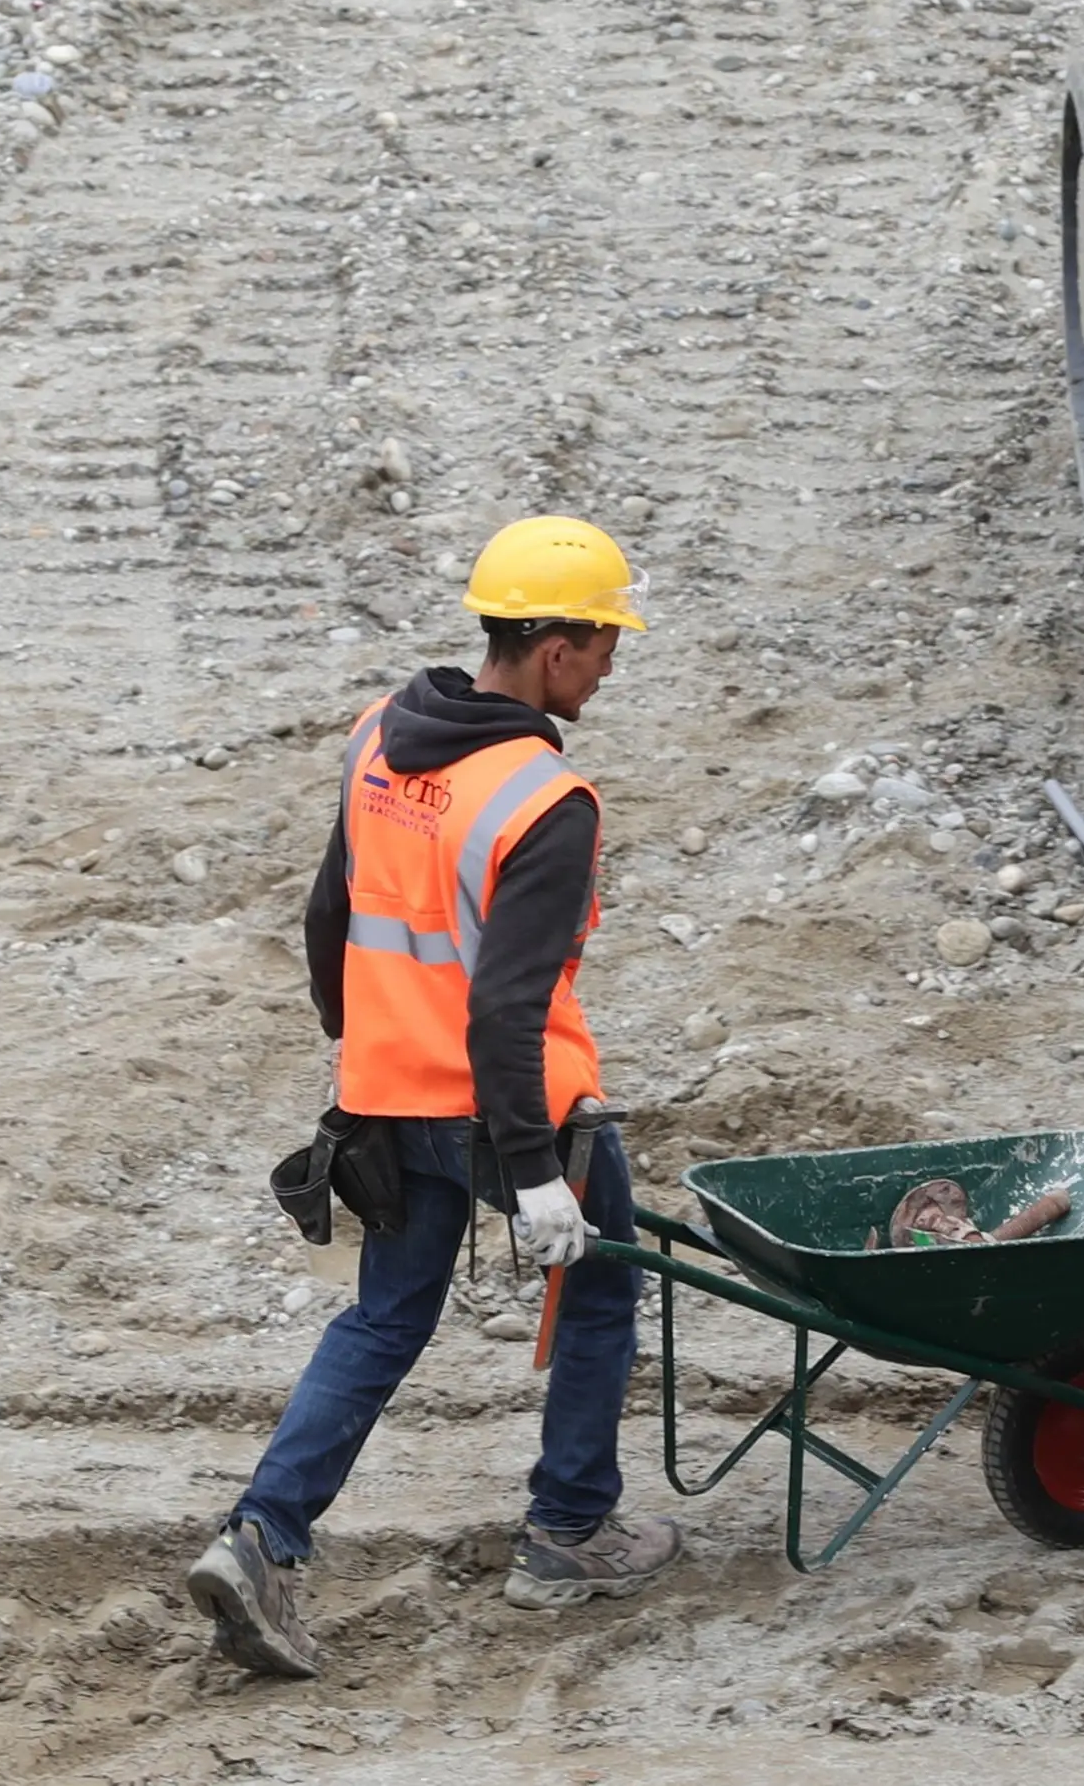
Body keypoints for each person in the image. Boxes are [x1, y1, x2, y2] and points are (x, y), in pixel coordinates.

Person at [185, 514, 683, 1678]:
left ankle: (260, 1537)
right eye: (605, 640)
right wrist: (528, 1172)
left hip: (389, 1097)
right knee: (602, 1295)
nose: (612, 663)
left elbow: (327, 917)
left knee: (382, 1319)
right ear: (554, 649)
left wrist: (360, 1050)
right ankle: (568, 1531)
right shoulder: (544, 799)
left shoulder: (380, 737)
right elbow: (508, 1012)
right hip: (526, 1112)